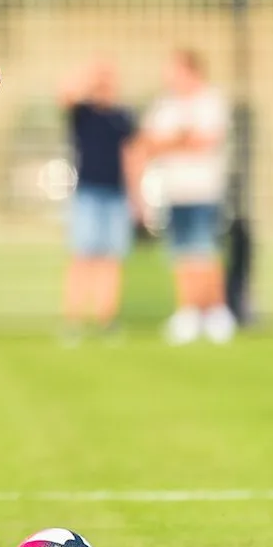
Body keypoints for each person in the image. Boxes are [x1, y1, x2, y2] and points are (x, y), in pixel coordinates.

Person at [133, 49, 235, 345]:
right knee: (181, 254)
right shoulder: (165, 104)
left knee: (204, 252)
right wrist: (178, 139)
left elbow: (204, 141)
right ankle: (188, 311)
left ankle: (215, 312)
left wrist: (171, 141)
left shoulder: (211, 101)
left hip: (204, 190)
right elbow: (147, 141)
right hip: (174, 191)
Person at [57, 60, 137, 339]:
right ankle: (73, 321)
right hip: (88, 194)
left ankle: (107, 319)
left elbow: (131, 157)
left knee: (111, 260)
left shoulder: (123, 117)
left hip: (116, 195)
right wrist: (88, 75)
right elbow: (65, 93)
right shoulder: (83, 113)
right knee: (83, 257)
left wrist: (137, 198)